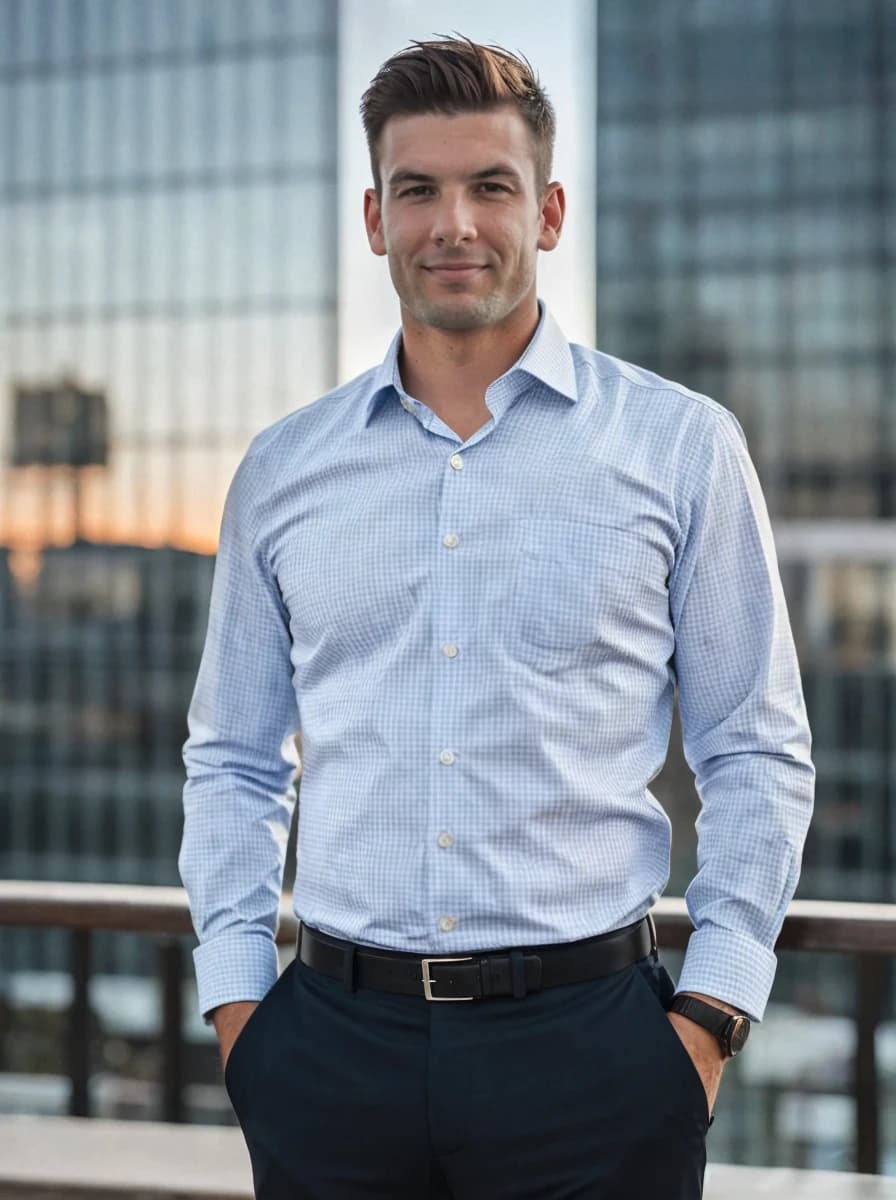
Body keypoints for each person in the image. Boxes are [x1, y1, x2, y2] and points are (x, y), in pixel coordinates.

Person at [178, 33, 815, 1200]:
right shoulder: (283, 469)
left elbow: (756, 750)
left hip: (596, 1060)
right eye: (416, 189)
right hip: (326, 1053)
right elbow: (229, 757)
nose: (452, 224)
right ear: (374, 218)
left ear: (549, 210)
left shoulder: (679, 448)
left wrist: (708, 1021)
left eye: (489, 187)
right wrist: (240, 1018)